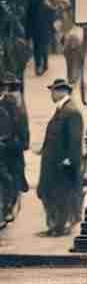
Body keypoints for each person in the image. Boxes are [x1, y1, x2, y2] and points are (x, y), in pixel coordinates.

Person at [37, 77, 84, 237]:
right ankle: (56, 226)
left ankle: (60, 227)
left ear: (61, 92)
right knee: (52, 193)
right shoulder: (63, 109)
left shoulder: (71, 111)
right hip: (54, 161)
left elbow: (75, 140)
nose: (51, 94)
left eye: (53, 91)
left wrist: (69, 160)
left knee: (62, 195)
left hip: (62, 163)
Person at [0, 72, 29, 221]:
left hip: (11, 148)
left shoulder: (12, 104)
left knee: (11, 179)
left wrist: (22, 144)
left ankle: (9, 208)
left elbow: (21, 124)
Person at [24, 0, 55, 77]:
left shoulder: (31, 5)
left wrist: (27, 35)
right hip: (45, 30)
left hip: (35, 31)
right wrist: (52, 31)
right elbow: (51, 19)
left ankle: (38, 66)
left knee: (37, 48)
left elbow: (28, 21)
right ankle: (44, 64)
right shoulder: (46, 6)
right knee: (44, 47)